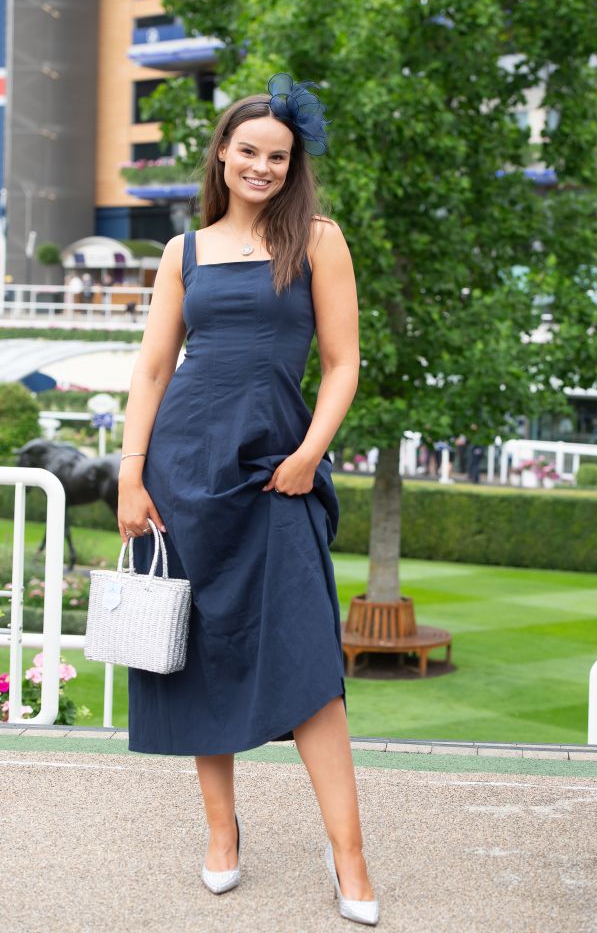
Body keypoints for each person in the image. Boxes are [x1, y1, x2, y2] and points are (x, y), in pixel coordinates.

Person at [117, 72, 379, 926]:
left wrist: (310, 454)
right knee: (201, 656)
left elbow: (342, 363)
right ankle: (222, 836)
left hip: (279, 471)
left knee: (312, 670)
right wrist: (131, 471)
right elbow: (155, 367)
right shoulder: (182, 252)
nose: (263, 166)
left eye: (279, 155)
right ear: (224, 156)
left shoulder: (319, 239)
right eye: (249, 152)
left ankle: (350, 856)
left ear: (291, 164)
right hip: (183, 471)